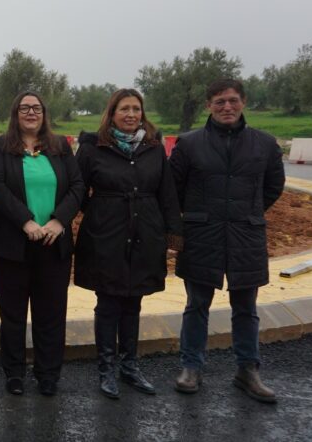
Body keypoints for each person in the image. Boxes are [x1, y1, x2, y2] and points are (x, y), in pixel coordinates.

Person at [171, 79, 285, 403]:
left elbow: (273, 186)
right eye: (219, 101)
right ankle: (191, 366)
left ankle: (248, 369)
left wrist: (247, 212)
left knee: (246, 308)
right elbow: (174, 188)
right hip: (201, 236)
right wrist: (195, 216)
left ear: (243, 102)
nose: (227, 107)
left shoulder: (265, 144)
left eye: (233, 100)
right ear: (209, 105)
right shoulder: (189, 144)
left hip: (246, 235)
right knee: (196, 305)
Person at [74, 88, 182, 399]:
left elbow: (167, 194)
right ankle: (106, 368)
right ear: (112, 113)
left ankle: (130, 366)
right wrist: (101, 212)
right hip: (106, 236)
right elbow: (77, 190)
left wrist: (173, 235)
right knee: (108, 302)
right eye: (124, 109)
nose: (131, 114)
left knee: (134, 301)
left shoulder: (153, 149)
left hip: (145, 234)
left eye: (136, 108)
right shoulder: (93, 148)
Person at [0, 91, 84, 396]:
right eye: (24, 108)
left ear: (44, 114)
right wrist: (25, 221)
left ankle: (48, 374)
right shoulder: (1, 146)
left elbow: (78, 186)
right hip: (12, 245)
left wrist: (59, 220)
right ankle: (14, 373)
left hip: (53, 244)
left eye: (37, 108)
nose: (31, 113)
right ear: (15, 113)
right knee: (13, 315)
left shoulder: (60, 147)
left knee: (50, 315)